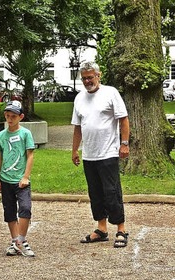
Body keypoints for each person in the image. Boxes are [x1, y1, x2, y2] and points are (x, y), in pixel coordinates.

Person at [71, 61, 130, 248]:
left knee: (112, 192)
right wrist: (74, 150)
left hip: (108, 152)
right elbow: (78, 127)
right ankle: (101, 228)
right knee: (95, 193)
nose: (88, 81)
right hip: (89, 154)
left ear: (99, 75)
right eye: (85, 78)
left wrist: (124, 144)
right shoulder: (79, 98)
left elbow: (123, 119)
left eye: (91, 77)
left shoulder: (110, 93)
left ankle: (121, 229)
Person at [0, 101, 36, 257]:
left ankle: (21, 240)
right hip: (5, 180)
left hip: (21, 180)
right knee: (9, 211)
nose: (10, 119)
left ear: (21, 117)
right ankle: (15, 241)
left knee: (25, 208)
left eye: (13, 116)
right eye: (7, 116)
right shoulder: (1, 136)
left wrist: (26, 176)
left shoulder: (25, 134)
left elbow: (30, 155)